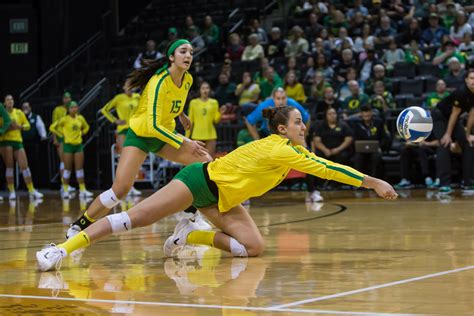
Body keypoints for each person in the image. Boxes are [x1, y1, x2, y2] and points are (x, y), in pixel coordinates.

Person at [36, 105, 398, 272]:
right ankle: (61, 250)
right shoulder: (281, 148)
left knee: (254, 248)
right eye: (298, 122)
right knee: (134, 218)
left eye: (304, 122)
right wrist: (372, 181)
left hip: (221, 199)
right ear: (283, 129)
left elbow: (322, 164)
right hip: (199, 182)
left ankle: (186, 238)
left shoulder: (289, 151)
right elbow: (328, 168)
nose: (304, 127)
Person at [64, 39, 212, 240]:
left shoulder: (187, 79)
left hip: (163, 135)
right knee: (120, 190)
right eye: (183, 51)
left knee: (206, 163)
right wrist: (185, 141)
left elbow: (173, 101)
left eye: (191, 52)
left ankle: (189, 215)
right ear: (171, 57)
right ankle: (78, 225)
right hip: (142, 134)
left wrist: (181, 115)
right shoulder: (158, 82)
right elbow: (152, 125)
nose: (188, 56)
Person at [432, 69, 474, 194]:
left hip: (452, 120)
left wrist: (467, 134)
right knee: (445, 144)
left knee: (468, 144)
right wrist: (448, 134)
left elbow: (472, 114)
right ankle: (444, 184)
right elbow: (454, 114)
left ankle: (468, 183)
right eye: (471, 78)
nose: (473, 81)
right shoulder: (461, 92)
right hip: (440, 117)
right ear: (466, 80)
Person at [1, 95, 43, 200]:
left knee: (25, 166)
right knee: (9, 167)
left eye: (11, 99)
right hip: (5, 141)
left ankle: (31, 190)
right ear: (4, 103)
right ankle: (11, 191)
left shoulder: (19, 113)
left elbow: (27, 125)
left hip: (18, 141)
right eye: (7, 100)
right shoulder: (2, 114)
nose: (10, 101)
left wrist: (19, 127)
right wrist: (7, 127)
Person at [50, 101, 93, 199]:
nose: (74, 109)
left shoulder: (80, 118)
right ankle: (65, 190)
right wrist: (61, 135)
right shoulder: (64, 119)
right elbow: (52, 127)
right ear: (68, 109)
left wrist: (83, 132)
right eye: (72, 107)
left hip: (78, 146)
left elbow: (87, 127)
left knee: (79, 169)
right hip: (68, 146)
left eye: (76, 107)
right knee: (67, 170)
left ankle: (82, 190)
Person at [245, 88, 309, 140]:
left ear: (287, 98)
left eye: (283, 98)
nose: (281, 102)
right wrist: (257, 140)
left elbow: (307, 118)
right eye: (278, 98)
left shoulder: (293, 104)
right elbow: (249, 121)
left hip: (289, 135)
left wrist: (303, 138)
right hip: (268, 135)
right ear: (273, 99)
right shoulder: (265, 106)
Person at [187, 82, 226, 158]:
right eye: (203, 88)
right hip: (197, 135)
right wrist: (187, 137)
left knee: (210, 160)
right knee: (197, 159)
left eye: (207, 88)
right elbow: (190, 121)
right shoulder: (193, 103)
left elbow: (216, 120)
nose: (205, 90)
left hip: (210, 134)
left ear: (210, 90)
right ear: (200, 90)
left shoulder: (214, 102)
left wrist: (221, 113)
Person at [351, 105, 390, 177]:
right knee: (358, 158)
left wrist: (380, 147)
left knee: (376, 157)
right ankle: (358, 182)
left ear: (371, 113)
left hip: (376, 150)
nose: (366, 114)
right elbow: (354, 139)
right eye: (364, 112)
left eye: (368, 112)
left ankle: (374, 180)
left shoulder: (379, 122)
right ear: (361, 114)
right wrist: (357, 147)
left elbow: (384, 137)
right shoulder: (357, 124)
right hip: (361, 151)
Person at [21, 101, 48, 187]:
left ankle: (35, 183)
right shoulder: (20, 118)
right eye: (24, 107)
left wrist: (43, 135)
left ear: (30, 108)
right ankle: (25, 185)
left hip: (34, 144)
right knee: (24, 165)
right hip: (22, 145)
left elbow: (41, 127)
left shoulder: (36, 117)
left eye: (27, 107)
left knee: (34, 163)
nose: (26, 109)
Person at [52, 92, 74, 192]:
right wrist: (55, 139)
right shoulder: (57, 110)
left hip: (70, 139)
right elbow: (54, 125)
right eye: (65, 98)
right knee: (63, 162)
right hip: (61, 138)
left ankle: (66, 184)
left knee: (68, 163)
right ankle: (63, 185)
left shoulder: (73, 110)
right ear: (62, 99)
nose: (67, 100)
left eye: (69, 98)